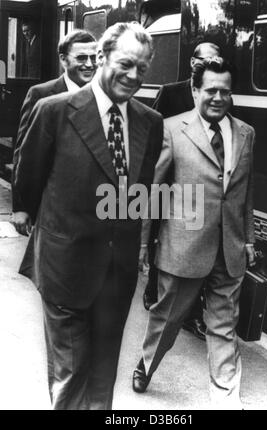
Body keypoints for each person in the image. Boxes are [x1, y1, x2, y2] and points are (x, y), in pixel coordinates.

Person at [14, 22, 163, 410]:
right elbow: (27, 180)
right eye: (126, 64)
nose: (133, 76)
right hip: (65, 269)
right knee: (70, 380)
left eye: (142, 69)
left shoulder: (150, 121)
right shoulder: (54, 111)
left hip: (117, 274)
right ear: (101, 58)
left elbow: (138, 197)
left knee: (102, 382)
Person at [133, 57, 256, 408]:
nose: (218, 98)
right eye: (211, 90)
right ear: (195, 90)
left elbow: (246, 194)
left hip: (229, 248)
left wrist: (248, 238)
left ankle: (224, 397)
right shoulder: (171, 129)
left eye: (226, 92)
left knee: (223, 326)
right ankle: (146, 364)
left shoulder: (246, 133)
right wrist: (142, 244)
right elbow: (151, 191)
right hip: (183, 247)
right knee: (167, 317)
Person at [143, 42, 220, 342]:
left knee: (190, 243)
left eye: (216, 59)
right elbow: (153, 131)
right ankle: (153, 289)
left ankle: (190, 313)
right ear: (192, 62)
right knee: (159, 234)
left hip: (197, 183)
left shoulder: (218, 95)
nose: (211, 63)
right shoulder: (171, 91)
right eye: (206, 58)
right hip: (168, 178)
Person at [12, 29, 97, 237]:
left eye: (94, 57)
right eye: (81, 58)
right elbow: (24, 153)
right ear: (63, 60)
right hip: (51, 204)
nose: (89, 64)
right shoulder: (40, 94)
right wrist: (20, 206)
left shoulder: (103, 96)